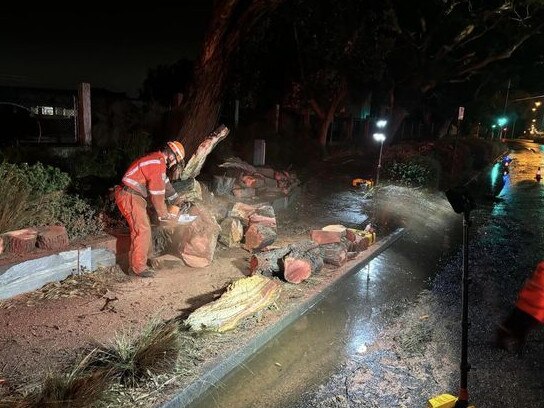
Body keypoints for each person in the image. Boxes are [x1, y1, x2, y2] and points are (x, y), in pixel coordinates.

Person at [114, 141, 185, 278]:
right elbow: (157, 194)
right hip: (130, 196)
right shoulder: (157, 164)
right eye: (176, 160)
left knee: (143, 229)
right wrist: (164, 215)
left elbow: (165, 184)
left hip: (133, 196)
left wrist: (176, 198)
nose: (175, 164)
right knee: (142, 230)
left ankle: (143, 261)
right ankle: (137, 268)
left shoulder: (157, 161)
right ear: (172, 156)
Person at [496, 261, 544, 354]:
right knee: (519, 329)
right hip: (535, 308)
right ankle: (512, 345)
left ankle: (507, 340)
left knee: (514, 325)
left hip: (529, 302)